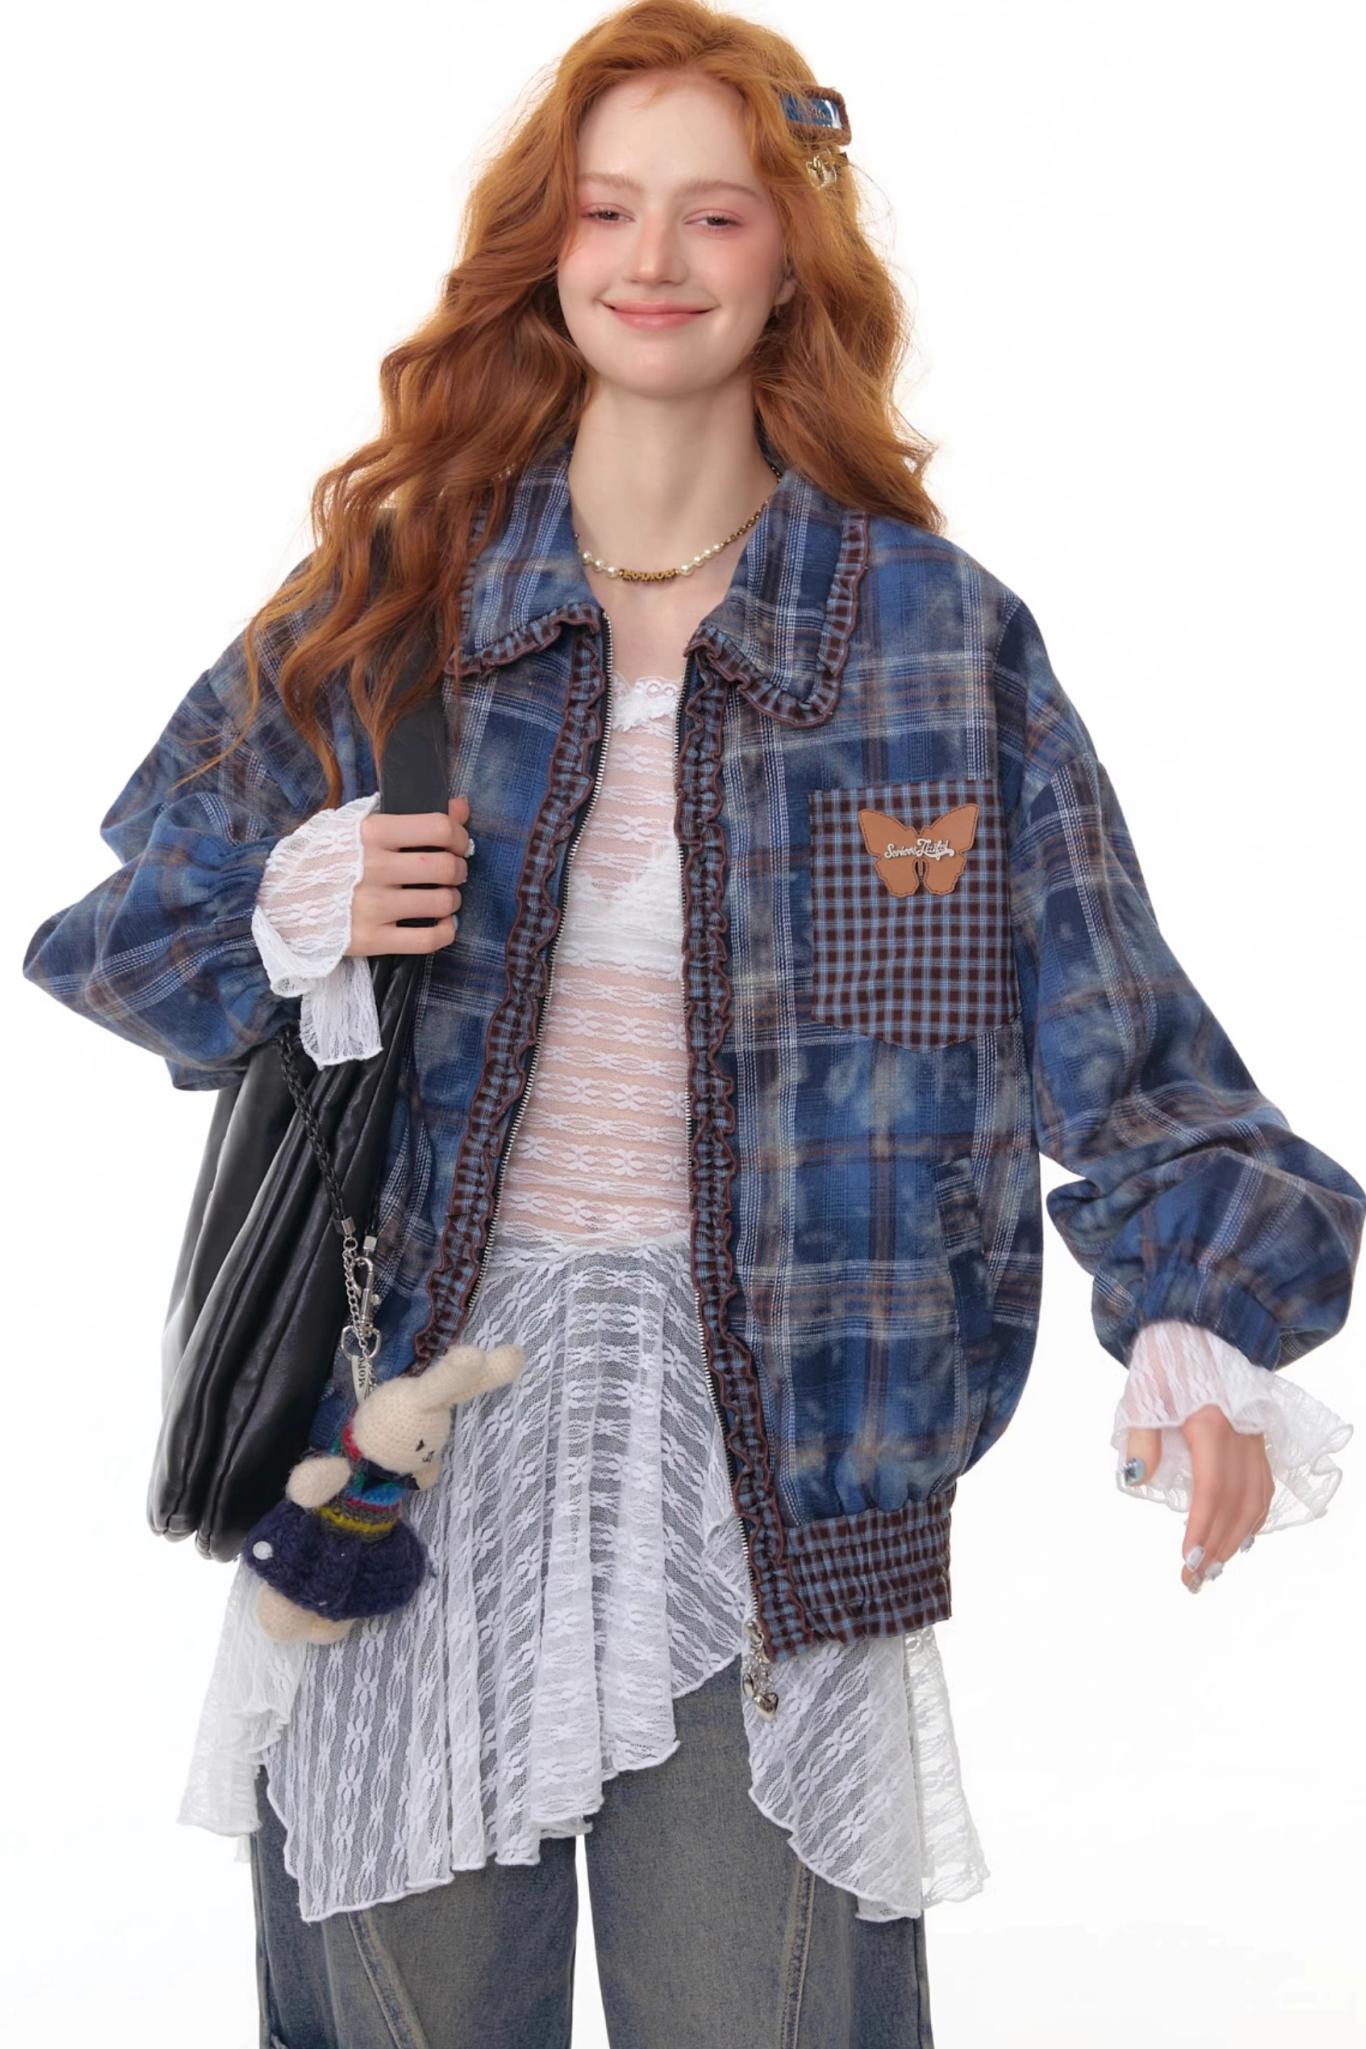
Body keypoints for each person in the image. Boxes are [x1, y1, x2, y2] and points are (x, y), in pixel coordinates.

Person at [20, 5, 1361, 2044]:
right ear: (543, 250)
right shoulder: (394, 594)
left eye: (714, 213)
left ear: (788, 259)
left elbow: (1131, 1047)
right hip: (398, 1456)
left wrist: (1200, 1323)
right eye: (605, 209)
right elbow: (112, 938)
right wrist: (297, 908)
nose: (653, 258)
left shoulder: (932, 637)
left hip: (780, 1482)